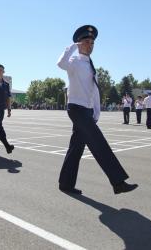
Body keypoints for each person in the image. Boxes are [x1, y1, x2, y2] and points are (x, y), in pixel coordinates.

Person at [57, 25, 137, 195]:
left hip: (86, 111)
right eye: (86, 41)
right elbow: (60, 63)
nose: (90, 45)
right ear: (80, 43)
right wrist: (73, 46)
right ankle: (118, 182)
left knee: (76, 148)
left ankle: (65, 183)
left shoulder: (91, 66)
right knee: (98, 143)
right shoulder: (74, 62)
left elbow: (95, 93)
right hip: (76, 108)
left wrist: (96, 112)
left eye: (92, 42)